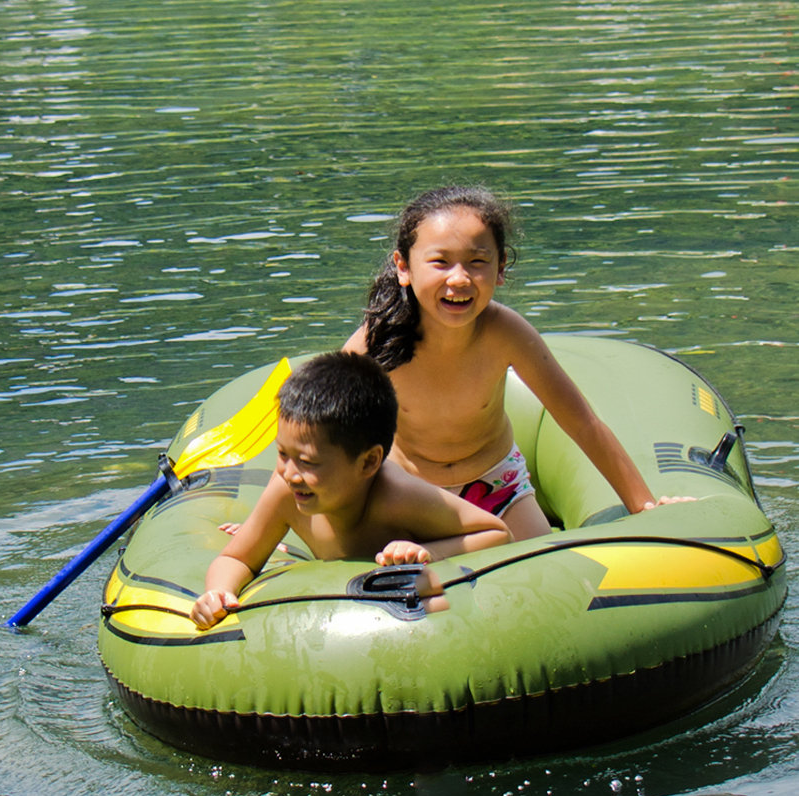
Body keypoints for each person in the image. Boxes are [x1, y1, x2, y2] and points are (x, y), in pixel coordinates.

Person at [343, 184, 685, 540]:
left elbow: (582, 423)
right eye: (440, 262)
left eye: (477, 262)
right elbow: (317, 417)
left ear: (501, 267)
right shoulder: (380, 338)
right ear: (404, 267)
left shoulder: (505, 332)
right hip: (410, 490)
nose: (459, 278)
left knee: (545, 572)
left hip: (496, 486)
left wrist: (644, 507)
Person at [190, 352, 512, 631]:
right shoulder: (284, 492)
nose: (289, 474)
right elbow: (237, 558)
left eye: (307, 462)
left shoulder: (398, 497)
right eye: (282, 454)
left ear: (369, 462)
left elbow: (497, 533)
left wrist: (425, 551)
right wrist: (218, 592)